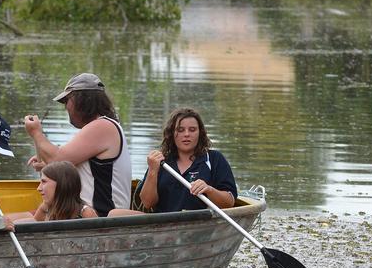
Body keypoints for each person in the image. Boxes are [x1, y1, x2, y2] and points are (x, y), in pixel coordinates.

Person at [23, 72, 130, 216]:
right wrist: (48, 165)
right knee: (13, 219)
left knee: (16, 222)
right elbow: (73, 167)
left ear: (81, 100)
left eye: (67, 101)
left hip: (98, 217)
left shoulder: (103, 126)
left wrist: (36, 132)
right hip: (80, 213)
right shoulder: (102, 127)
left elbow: (57, 158)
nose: (65, 107)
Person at [137, 107, 238, 213]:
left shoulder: (214, 159)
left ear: (200, 133)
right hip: (164, 225)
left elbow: (229, 202)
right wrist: (153, 171)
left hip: (201, 223)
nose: (186, 134)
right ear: (171, 133)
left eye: (192, 129)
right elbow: (147, 203)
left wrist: (209, 190)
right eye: (180, 130)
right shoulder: (160, 162)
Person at [16, 161, 99, 223]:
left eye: (44, 182)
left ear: (62, 184)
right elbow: (34, 224)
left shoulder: (85, 213)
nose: (38, 188)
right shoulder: (46, 207)